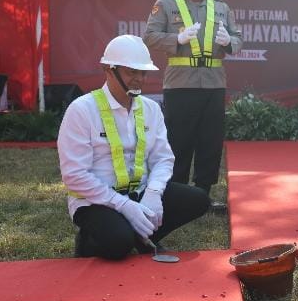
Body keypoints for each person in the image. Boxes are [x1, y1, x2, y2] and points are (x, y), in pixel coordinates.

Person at [58, 35, 210, 260]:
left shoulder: (151, 109)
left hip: (140, 194)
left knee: (198, 200)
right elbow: (74, 175)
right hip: (96, 200)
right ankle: (91, 240)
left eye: (143, 73)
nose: (139, 79)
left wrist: (154, 193)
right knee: (119, 243)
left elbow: (163, 158)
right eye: (132, 72)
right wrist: (123, 205)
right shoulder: (81, 110)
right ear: (108, 70)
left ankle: (144, 235)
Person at [143, 0, 242, 210]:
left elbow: (238, 38)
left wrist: (229, 42)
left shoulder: (221, 8)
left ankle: (202, 195)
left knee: (211, 141)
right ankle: (176, 194)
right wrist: (176, 39)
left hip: (214, 84)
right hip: (180, 84)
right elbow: (149, 36)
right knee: (179, 140)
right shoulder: (166, 4)